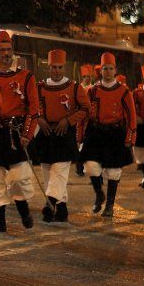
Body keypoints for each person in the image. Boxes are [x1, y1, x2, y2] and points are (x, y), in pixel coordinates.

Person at [0, 31, 38, 232]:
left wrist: (27, 135)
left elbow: (34, 110)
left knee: (18, 177)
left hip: (16, 131)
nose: (6, 53)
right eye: (1, 50)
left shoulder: (26, 76)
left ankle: (24, 211)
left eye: (8, 49)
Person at [30, 49, 89, 222]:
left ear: (65, 68)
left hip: (64, 135)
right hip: (46, 135)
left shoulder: (74, 87)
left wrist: (68, 121)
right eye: (53, 67)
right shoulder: (39, 87)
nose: (56, 71)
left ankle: (49, 204)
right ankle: (61, 209)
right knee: (48, 173)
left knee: (59, 173)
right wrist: (39, 118)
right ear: (48, 68)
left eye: (60, 67)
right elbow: (30, 106)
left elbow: (86, 109)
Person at [81, 52, 136, 217]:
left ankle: (109, 206)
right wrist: (81, 134)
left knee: (113, 172)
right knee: (90, 166)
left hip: (115, 134)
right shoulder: (92, 90)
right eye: (105, 68)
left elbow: (131, 116)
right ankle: (99, 194)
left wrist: (130, 137)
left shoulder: (124, 91)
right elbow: (84, 113)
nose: (108, 71)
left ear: (115, 70)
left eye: (110, 68)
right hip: (96, 133)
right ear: (101, 70)